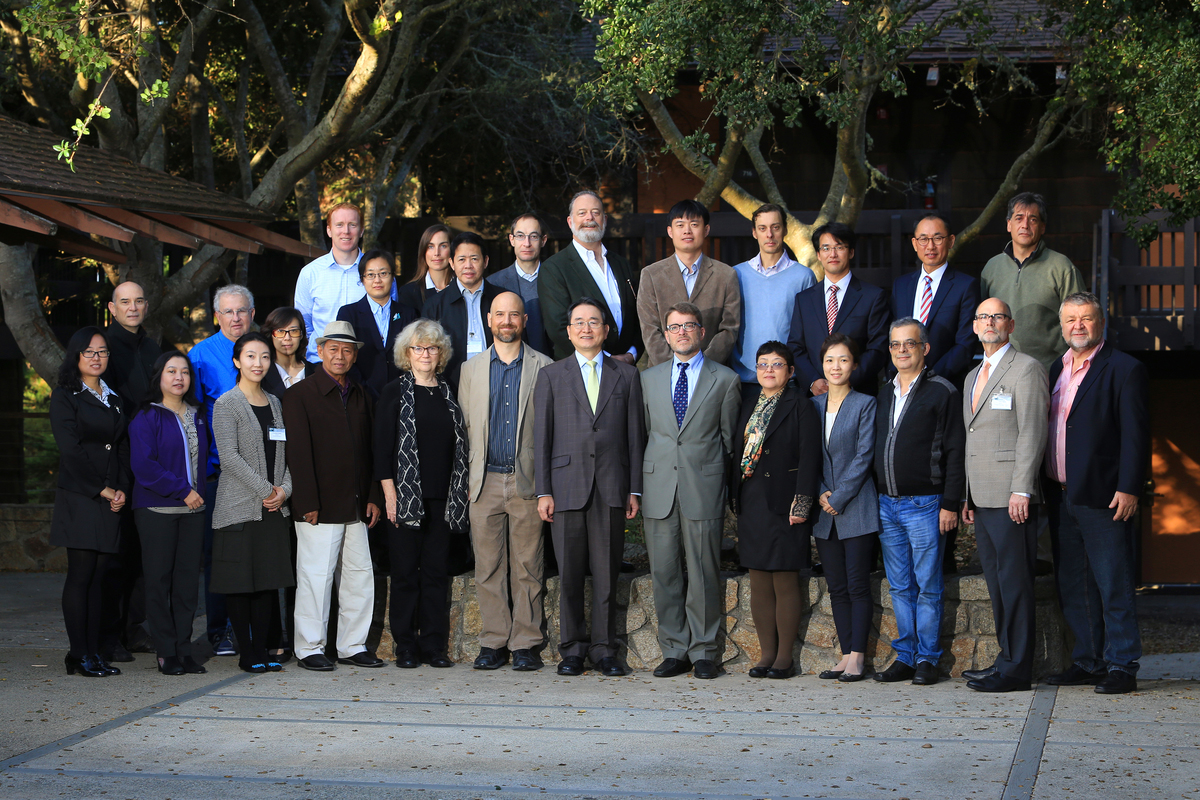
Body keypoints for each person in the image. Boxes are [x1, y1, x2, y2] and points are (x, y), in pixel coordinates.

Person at [1043, 292, 1149, 695]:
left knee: (1113, 582)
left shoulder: (1124, 369)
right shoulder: (1056, 368)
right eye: (1071, 320)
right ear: (1061, 324)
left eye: (1086, 319)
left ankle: (1122, 665)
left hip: (1105, 496)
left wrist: (1129, 487)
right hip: (1061, 493)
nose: (1078, 326)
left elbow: (1136, 436)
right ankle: (1088, 661)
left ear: (1100, 322)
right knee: (1075, 583)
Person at [534, 298, 645, 676]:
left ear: (605, 329)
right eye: (578, 322)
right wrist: (543, 490)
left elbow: (635, 437)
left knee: (605, 574)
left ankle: (603, 649)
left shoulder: (626, 376)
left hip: (612, 486)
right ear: (568, 332)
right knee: (568, 576)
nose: (586, 328)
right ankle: (572, 649)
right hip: (566, 486)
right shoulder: (551, 375)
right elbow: (541, 437)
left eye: (593, 322)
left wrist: (634, 489)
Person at [640, 302, 741, 679]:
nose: (681, 332)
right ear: (665, 335)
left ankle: (703, 651)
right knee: (664, 571)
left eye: (689, 326)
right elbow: (646, 432)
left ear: (702, 332)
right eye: (674, 326)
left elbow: (729, 440)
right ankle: (674, 649)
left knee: (702, 571)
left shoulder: (725, 379)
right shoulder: (648, 379)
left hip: (704, 485)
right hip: (659, 485)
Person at [282, 321, 385, 672]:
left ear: (355, 356)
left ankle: (352, 645)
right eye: (333, 348)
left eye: (347, 350)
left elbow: (371, 450)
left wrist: (373, 495)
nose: (339, 355)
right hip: (319, 505)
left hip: (356, 503)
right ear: (320, 350)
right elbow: (297, 453)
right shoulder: (299, 395)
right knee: (315, 576)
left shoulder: (361, 394)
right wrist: (306, 501)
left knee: (359, 575)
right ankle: (310, 647)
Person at [459, 293, 554, 671]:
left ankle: (526, 643)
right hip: (483, 482)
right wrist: (464, 478)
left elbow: (551, 431)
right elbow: (464, 427)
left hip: (527, 482)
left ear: (525, 320)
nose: (507, 320)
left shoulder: (545, 367)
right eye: (500, 314)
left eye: (514, 314)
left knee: (529, 566)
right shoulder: (472, 369)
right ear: (488, 319)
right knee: (488, 567)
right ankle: (494, 642)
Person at [960, 298, 1049, 693]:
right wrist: (967, 496)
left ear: (1010, 325)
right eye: (983, 317)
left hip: (1012, 497)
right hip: (982, 497)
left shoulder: (1026, 369)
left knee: (1015, 584)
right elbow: (973, 438)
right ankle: (1005, 660)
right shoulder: (972, 375)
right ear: (975, 327)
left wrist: (1021, 488)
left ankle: (1016, 670)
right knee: (997, 584)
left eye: (997, 316)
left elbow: (1033, 432)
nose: (989, 322)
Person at [872, 318, 965, 687]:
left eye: (909, 344)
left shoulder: (943, 391)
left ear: (924, 348)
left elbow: (956, 452)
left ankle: (927, 658)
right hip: (887, 504)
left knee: (928, 584)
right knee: (899, 586)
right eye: (895, 345)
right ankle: (906, 656)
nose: (902, 350)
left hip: (926, 503)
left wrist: (950, 503)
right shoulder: (884, 391)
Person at [375, 319, 470, 668]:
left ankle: (433, 646)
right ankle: (406, 646)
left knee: (434, 573)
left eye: (432, 348)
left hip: (445, 499)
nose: (425, 354)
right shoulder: (393, 391)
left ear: (441, 353)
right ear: (407, 353)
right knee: (404, 574)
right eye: (418, 348)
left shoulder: (449, 391)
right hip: (405, 497)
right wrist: (389, 495)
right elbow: (382, 449)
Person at [210, 333, 296, 674]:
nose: (258, 363)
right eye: (250, 356)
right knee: (240, 585)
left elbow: (287, 453)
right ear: (237, 361)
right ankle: (247, 654)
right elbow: (228, 457)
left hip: (274, 507)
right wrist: (265, 489)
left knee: (266, 584)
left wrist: (284, 491)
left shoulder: (276, 403)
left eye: (263, 357)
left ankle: (262, 649)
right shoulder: (225, 404)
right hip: (239, 508)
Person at [50, 327, 129, 678]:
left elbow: (120, 447)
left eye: (102, 352)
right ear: (76, 356)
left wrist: (120, 488)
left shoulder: (113, 396)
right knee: (81, 576)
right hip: (82, 495)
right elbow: (70, 450)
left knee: (100, 578)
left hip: (110, 495)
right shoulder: (66, 395)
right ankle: (77, 654)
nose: (97, 358)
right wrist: (102, 489)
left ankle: (94, 653)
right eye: (89, 352)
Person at [128, 350, 209, 676]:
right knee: (159, 582)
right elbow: (144, 467)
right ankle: (166, 652)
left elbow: (205, 460)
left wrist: (198, 492)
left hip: (193, 510)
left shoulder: (198, 414)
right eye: (171, 371)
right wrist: (184, 491)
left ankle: (184, 649)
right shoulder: (146, 417)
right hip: (157, 509)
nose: (179, 377)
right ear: (159, 377)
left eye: (184, 372)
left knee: (187, 585)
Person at [190, 283, 255, 656]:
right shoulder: (200, 356)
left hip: (262, 470)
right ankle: (219, 629)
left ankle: (255, 626)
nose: (235, 318)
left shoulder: (262, 351)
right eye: (228, 312)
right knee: (218, 553)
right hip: (220, 471)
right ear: (217, 316)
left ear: (252, 313)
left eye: (242, 310)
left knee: (256, 552)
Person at [811, 333, 879, 682]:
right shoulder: (812, 406)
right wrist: (822, 492)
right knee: (836, 586)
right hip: (824, 512)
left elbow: (865, 455)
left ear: (853, 365)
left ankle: (858, 657)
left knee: (857, 585)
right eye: (829, 360)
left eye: (842, 360)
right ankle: (844, 654)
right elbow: (808, 457)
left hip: (856, 506)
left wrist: (838, 497)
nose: (835, 366)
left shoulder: (865, 403)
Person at [102, 280, 161, 661]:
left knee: (142, 550)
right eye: (125, 302)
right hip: (119, 456)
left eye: (139, 300)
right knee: (116, 551)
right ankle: (110, 632)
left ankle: (134, 628)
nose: (133, 307)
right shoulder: (103, 348)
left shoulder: (153, 346)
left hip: (150, 455)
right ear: (112, 308)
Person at [980, 192, 1086, 371]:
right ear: (1009, 224)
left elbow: (1080, 321)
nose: (1025, 225)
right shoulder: (991, 268)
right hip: (999, 371)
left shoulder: (1061, 267)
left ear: (1042, 227)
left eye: (1033, 219)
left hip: (1049, 371)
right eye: (1019, 218)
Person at [538, 191, 642, 362]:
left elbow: (637, 315)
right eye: (582, 213)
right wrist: (604, 359)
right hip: (580, 372)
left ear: (605, 219)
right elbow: (558, 329)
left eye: (596, 212)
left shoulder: (621, 264)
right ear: (570, 221)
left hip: (626, 371)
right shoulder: (554, 268)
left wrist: (632, 354)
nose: (590, 218)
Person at [636, 200, 741, 367]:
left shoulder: (726, 275)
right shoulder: (651, 275)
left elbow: (729, 329)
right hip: (663, 372)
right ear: (670, 231)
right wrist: (674, 368)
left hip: (711, 373)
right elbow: (649, 329)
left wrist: (701, 367)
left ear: (706, 229)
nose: (687, 231)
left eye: (694, 224)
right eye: (680, 225)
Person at [788, 223, 889, 396]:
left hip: (857, 392)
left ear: (851, 252)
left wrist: (845, 381)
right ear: (819, 255)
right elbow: (796, 346)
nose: (832, 254)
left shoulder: (873, 296)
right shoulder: (804, 299)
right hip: (814, 396)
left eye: (839, 247)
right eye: (826, 248)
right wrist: (813, 381)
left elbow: (877, 348)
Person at [731, 204, 816, 393]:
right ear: (754, 232)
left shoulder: (803, 276)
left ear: (785, 230)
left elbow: (810, 332)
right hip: (745, 380)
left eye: (775, 227)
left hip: (790, 381)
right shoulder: (736, 274)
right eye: (762, 228)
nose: (769, 234)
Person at [891, 215, 979, 389]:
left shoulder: (965, 286)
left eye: (938, 238)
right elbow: (892, 336)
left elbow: (965, 344)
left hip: (944, 385)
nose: (930, 246)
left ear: (951, 241)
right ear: (915, 244)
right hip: (902, 384)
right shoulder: (901, 285)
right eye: (923, 239)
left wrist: (929, 378)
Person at [421, 231, 503, 388]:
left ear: (485, 261)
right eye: (462, 259)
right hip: (451, 385)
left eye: (474, 259)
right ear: (452, 263)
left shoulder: (501, 299)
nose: (468, 265)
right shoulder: (435, 305)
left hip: (496, 383)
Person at [337, 249, 418, 400]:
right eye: (371, 275)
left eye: (383, 273)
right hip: (359, 397)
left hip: (401, 398)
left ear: (393, 277)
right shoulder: (348, 314)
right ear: (362, 279)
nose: (377, 280)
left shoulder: (408, 314)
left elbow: (413, 356)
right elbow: (345, 357)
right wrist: (367, 392)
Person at [293, 202, 366, 362]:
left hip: (366, 363)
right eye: (339, 225)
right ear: (329, 230)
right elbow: (303, 324)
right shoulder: (310, 273)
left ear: (361, 230)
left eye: (352, 225)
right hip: (320, 364)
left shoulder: (378, 274)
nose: (346, 231)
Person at [488, 213, 550, 356]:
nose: (527, 243)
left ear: (543, 240)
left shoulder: (556, 279)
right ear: (512, 240)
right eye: (520, 236)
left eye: (533, 236)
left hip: (552, 364)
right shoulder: (494, 283)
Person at [397, 223, 453, 314]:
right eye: (430, 246)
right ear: (423, 251)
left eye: (443, 246)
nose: (436, 253)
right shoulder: (409, 293)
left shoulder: (463, 288)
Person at [262, 307, 317, 397]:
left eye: (294, 331)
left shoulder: (317, 372)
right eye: (280, 331)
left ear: (301, 335)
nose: (287, 338)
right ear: (270, 335)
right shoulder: (262, 373)